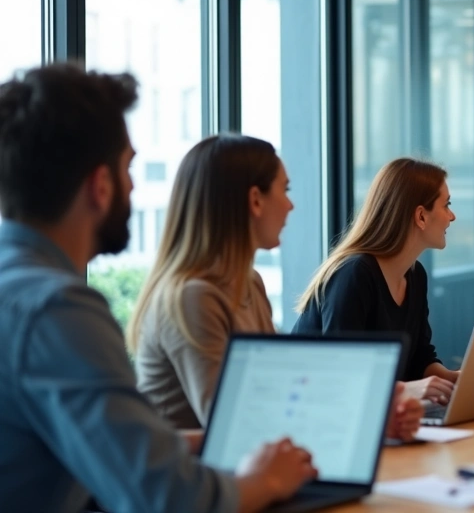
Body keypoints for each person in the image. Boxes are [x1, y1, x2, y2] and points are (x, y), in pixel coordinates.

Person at [0, 64, 316, 512]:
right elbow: (167, 498)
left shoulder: (19, 291)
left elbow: (120, 447)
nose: (134, 184)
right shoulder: (55, 310)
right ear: (101, 185)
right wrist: (263, 481)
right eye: (128, 167)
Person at [126, 134, 423, 440]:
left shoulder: (249, 282)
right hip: (198, 483)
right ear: (255, 200)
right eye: (285, 189)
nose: (291, 204)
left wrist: (374, 417)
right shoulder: (193, 297)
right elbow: (235, 427)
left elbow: (278, 391)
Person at [293, 158, 459, 405]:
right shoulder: (353, 274)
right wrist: (410, 391)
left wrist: (452, 380)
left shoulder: (416, 275)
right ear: (421, 216)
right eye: (446, 205)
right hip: (313, 414)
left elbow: (419, 358)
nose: (452, 216)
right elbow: (342, 375)